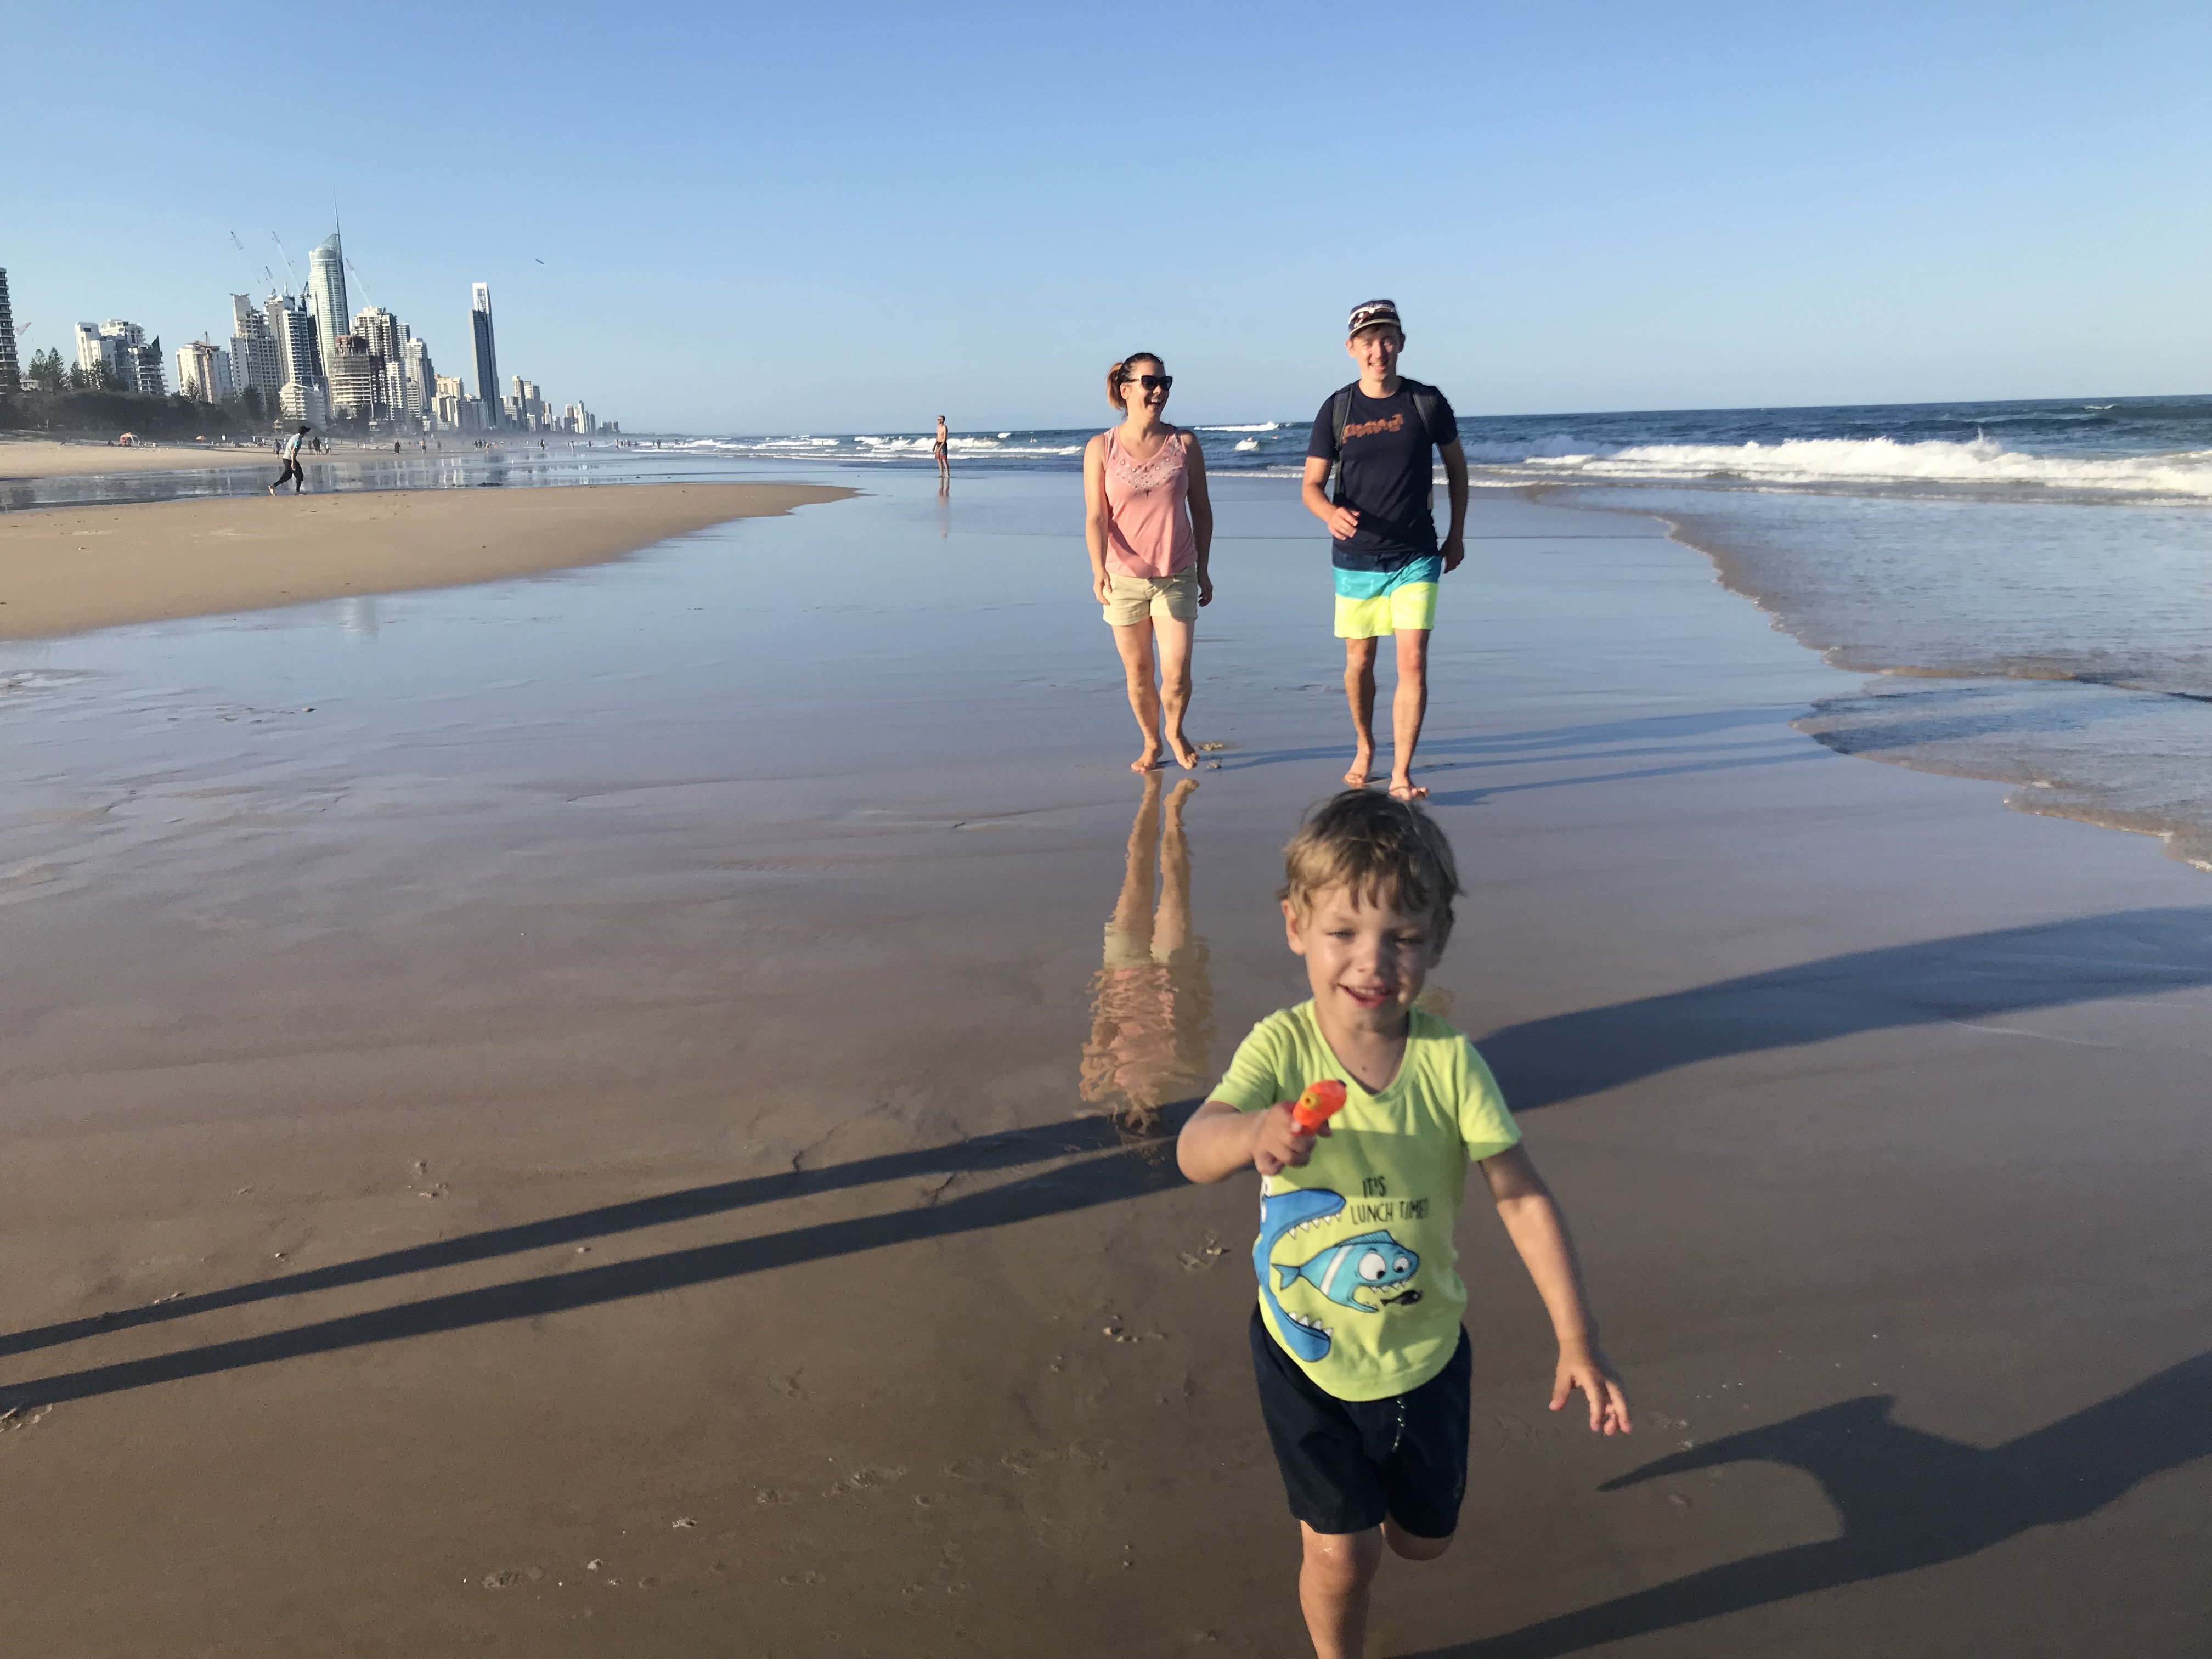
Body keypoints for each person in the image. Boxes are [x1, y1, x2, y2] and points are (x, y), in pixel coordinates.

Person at [1176, 792, 1630, 1659]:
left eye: (1403, 936)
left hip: (1423, 1355)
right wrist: (1253, 1132)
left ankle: (1381, 1513)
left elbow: (1521, 1195)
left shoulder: (1449, 1064)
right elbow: (1195, 1149)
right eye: (1343, 931)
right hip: (1303, 1347)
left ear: (1438, 940)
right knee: (1343, 1555)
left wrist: (1578, 1338)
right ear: (1296, 925)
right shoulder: (1280, 1049)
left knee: (1423, 1542)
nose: (1372, 961)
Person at [1302, 300, 1469, 800]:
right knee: (1360, 662)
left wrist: (1456, 534)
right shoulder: (1337, 409)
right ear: (1352, 348)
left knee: (1412, 663)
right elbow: (1311, 486)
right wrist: (1328, 513)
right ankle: (1364, 745)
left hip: (1416, 554)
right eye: (1369, 342)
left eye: (1387, 339)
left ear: (1401, 343)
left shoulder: (1426, 402)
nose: (1379, 351)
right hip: (1355, 557)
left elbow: (1457, 470)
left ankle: (1401, 772)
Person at [1084, 352, 1215, 772]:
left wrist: (1204, 569)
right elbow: (1096, 517)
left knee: (1176, 672)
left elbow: (1202, 511)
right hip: (1122, 579)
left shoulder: (1184, 444)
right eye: (1150, 383)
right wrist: (1097, 569)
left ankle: (1175, 730)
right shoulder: (1101, 448)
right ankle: (1151, 741)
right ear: (1126, 390)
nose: (1159, 391)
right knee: (1139, 672)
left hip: (1177, 573)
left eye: (1165, 383)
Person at [268, 425, 309, 495]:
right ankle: (297, 491)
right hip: (289, 459)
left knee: (287, 476)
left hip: (286, 458)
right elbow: (293, 451)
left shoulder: (295, 436)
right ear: (304, 433)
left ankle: (273, 486)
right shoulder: (298, 439)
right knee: (299, 474)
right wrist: (293, 463)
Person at [933, 415, 951, 487]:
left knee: (944, 460)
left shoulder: (944, 427)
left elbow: (944, 438)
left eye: (939, 419)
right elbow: (938, 437)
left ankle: (948, 474)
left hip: (943, 445)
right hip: (938, 443)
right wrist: (935, 445)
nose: (937, 420)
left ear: (942, 420)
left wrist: (941, 447)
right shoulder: (938, 427)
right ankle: (941, 473)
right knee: (939, 459)